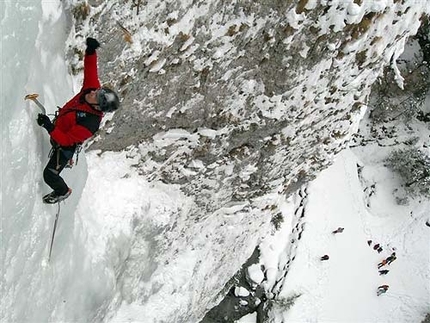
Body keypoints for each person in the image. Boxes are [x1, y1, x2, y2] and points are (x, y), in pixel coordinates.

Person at [37, 37, 120, 204]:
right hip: (62, 126)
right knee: (55, 139)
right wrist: (91, 51)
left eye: (96, 95)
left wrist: (48, 126)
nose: (92, 92)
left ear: (98, 107)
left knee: (49, 174)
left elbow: (67, 141)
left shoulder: (90, 124)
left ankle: (63, 191)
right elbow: (91, 70)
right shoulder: (91, 90)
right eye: (97, 91)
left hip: (65, 145)